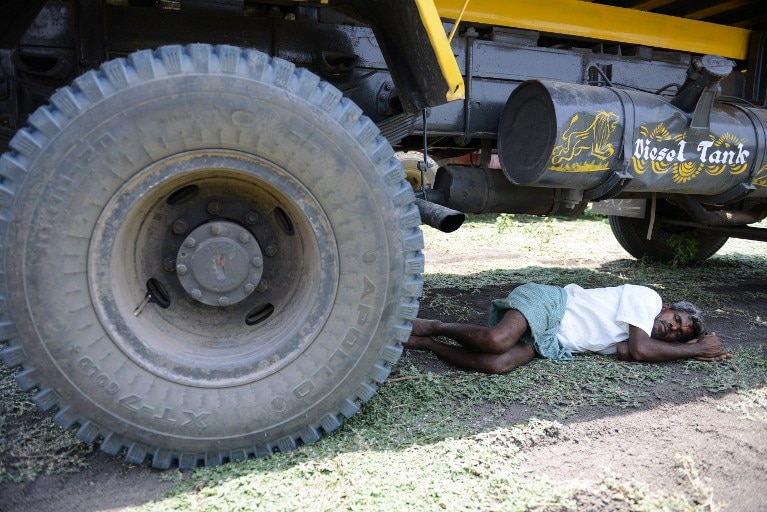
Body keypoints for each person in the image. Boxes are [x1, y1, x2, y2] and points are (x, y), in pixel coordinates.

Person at [404, 283, 731, 374]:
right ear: (667, 307)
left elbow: (628, 352)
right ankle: (436, 325)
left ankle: (428, 344)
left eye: (678, 334)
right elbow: (640, 351)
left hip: (549, 341)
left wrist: (689, 351)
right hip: (550, 303)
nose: (671, 329)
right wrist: (694, 349)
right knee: (497, 339)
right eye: (676, 320)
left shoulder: (632, 336)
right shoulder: (648, 298)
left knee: (498, 362)